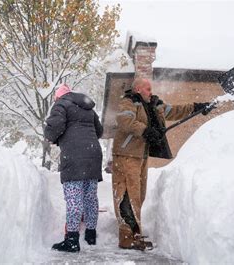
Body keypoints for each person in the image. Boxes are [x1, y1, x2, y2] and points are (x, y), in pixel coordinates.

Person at [111, 78, 214, 250]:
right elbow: (125, 121)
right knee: (127, 194)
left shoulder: (154, 104)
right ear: (137, 89)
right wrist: (145, 130)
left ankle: (134, 233)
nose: (151, 91)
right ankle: (127, 238)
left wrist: (197, 107)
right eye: (147, 88)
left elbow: (174, 111)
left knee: (139, 195)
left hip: (140, 156)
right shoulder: (129, 102)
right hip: (126, 155)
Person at [45, 84, 103, 253]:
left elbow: (54, 127)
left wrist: (50, 137)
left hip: (74, 155)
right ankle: (91, 234)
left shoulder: (61, 104)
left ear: (58, 96)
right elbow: (99, 131)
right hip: (93, 154)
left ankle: (71, 240)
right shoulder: (88, 108)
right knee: (90, 196)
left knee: (74, 198)